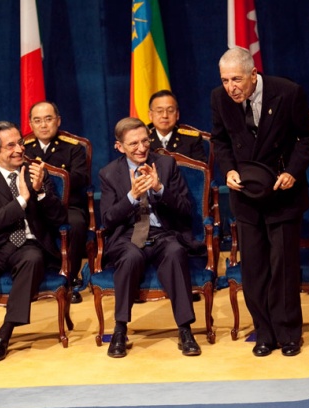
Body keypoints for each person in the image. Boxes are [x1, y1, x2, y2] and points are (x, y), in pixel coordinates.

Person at [210, 47, 309, 357]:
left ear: (253, 74)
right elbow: (220, 139)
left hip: (282, 192)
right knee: (254, 270)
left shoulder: (287, 92)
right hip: (246, 195)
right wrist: (228, 168)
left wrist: (293, 172)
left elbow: (307, 137)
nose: (231, 87)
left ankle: (288, 335)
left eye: (237, 79)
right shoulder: (219, 98)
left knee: (282, 269)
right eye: (225, 79)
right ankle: (264, 333)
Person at [0, 121, 67, 362]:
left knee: (33, 259)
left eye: (20, 143)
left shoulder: (37, 172)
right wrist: (22, 201)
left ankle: (4, 335)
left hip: (28, 243)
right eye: (11, 145)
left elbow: (59, 217)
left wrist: (39, 192)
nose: (19, 149)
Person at [99, 117, 201, 358]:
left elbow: (186, 208)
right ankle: (120, 329)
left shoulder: (166, 165)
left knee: (175, 252)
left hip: (162, 233)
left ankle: (185, 329)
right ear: (120, 146)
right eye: (133, 143)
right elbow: (108, 219)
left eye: (145, 140)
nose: (142, 148)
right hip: (128, 236)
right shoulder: (109, 174)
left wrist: (159, 190)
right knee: (131, 257)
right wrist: (131, 197)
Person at [24, 101, 89, 304]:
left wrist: (49, 176)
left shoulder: (74, 148)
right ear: (31, 124)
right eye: (37, 120)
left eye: (48, 119)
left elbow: (81, 178)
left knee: (76, 224)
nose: (43, 125)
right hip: (34, 207)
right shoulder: (23, 149)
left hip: (67, 206)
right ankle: (38, 276)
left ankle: (70, 279)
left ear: (58, 121)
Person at [147, 90, 208, 163]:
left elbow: (201, 171)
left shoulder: (191, 140)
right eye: (160, 111)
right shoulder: (143, 139)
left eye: (170, 110)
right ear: (150, 115)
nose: (165, 115)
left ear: (177, 114)